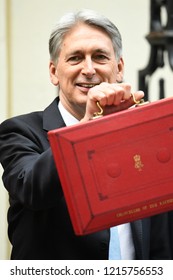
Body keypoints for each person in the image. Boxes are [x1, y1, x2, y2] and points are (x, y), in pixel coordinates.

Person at [0, 9, 172, 260]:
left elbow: (160, 241)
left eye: (100, 57)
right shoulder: (19, 131)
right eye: (75, 58)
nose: (89, 69)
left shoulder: (143, 138)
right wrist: (88, 128)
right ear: (53, 72)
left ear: (119, 67)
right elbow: (32, 190)